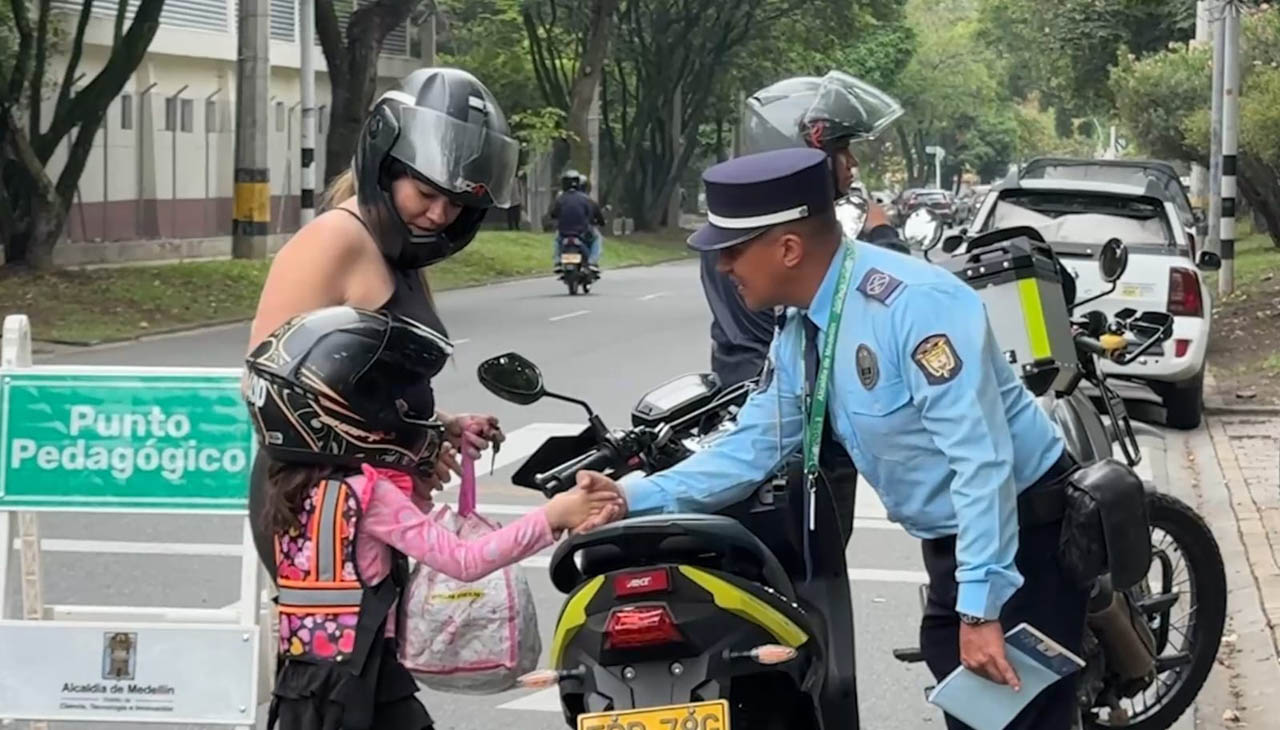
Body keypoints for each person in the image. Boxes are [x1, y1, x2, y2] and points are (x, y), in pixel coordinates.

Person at [578, 148, 1086, 730]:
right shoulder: (804, 325)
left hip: (1021, 536)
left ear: (788, 249)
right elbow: (754, 446)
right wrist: (631, 497)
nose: (723, 268)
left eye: (734, 250)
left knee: (1018, 719)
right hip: (955, 539)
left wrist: (980, 610)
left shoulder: (914, 307)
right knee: (976, 714)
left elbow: (982, 463)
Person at [244, 307, 623, 730]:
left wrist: (442, 439)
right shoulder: (371, 494)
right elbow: (464, 561)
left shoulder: (290, 485)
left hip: (304, 679)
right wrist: (553, 516)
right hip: (361, 681)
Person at [245, 66, 517, 524]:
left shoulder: (397, 247)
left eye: (456, 205)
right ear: (384, 169)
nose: (438, 215)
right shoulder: (335, 239)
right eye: (426, 192)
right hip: (318, 511)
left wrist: (442, 425)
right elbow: (273, 394)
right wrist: (415, 447)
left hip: (376, 509)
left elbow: (363, 390)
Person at [549, 169, 605, 271]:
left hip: (564, 233)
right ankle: (592, 261)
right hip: (582, 232)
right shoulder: (586, 199)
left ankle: (557, 261)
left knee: (557, 240)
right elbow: (594, 214)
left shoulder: (560, 199)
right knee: (597, 239)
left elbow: (553, 214)